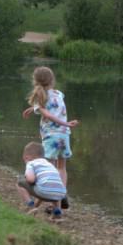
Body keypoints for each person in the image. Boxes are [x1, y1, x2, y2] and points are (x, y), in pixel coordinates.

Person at [22, 66, 78, 210]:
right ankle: (62, 194)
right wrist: (32, 108)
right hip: (64, 135)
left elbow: (48, 114)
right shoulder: (59, 93)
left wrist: (66, 122)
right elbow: (48, 108)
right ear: (52, 80)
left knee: (49, 168)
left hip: (51, 136)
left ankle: (49, 200)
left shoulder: (40, 96)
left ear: (35, 81)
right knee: (62, 167)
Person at [16, 141, 67, 220]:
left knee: (19, 182)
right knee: (52, 186)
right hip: (60, 194)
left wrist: (27, 177)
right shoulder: (49, 164)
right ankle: (57, 212)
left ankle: (30, 206)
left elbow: (30, 180)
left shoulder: (31, 163)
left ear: (26, 157)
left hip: (44, 191)